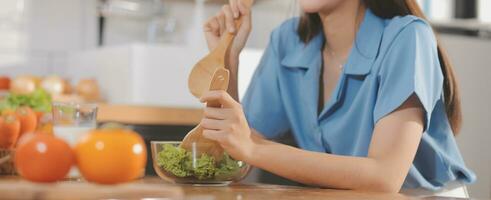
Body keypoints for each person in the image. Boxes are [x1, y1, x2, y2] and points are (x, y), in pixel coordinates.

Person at [199, 0, 476, 197]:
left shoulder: (407, 37)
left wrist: (254, 148)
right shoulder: (288, 41)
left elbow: (385, 177)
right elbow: (236, 157)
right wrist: (227, 58)